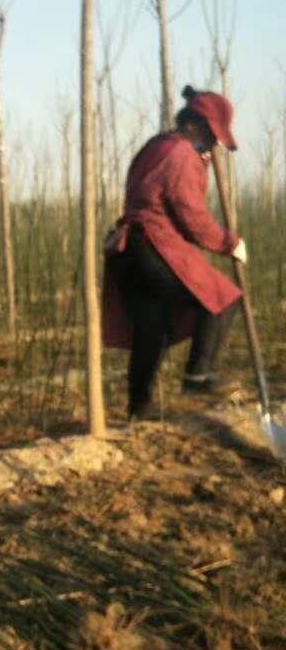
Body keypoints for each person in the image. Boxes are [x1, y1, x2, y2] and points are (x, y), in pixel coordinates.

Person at [103, 85, 245, 421]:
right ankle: (198, 375)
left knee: (153, 327)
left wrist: (206, 159)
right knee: (222, 297)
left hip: (128, 250)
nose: (211, 145)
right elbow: (192, 216)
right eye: (211, 136)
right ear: (194, 125)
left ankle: (141, 407)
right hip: (153, 246)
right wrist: (230, 243)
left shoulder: (158, 145)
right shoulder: (181, 154)